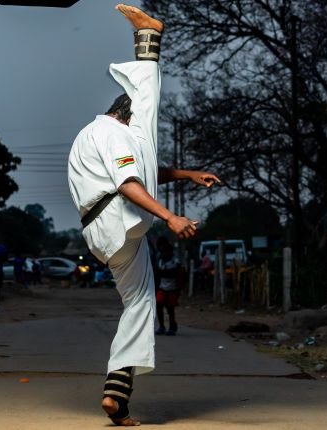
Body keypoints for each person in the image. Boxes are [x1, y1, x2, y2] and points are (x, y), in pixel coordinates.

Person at [68, 4, 221, 426]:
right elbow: (128, 183)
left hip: (104, 236)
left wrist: (186, 174)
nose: (143, 132)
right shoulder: (114, 132)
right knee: (148, 99)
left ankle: (117, 392)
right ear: (123, 113)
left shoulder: (92, 136)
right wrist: (171, 217)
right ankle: (148, 41)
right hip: (120, 216)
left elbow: (145, 169)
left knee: (139, 304)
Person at [154, 236, 182, 336]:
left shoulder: (175, 261)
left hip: (172, 288)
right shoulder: (160, 260)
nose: (163, 253)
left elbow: (178, 275)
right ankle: (162, 326)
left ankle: (172, 327)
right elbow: (157, 274)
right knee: (159, 306)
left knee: (170, 309)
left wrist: (178, 289)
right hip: (162, 287)